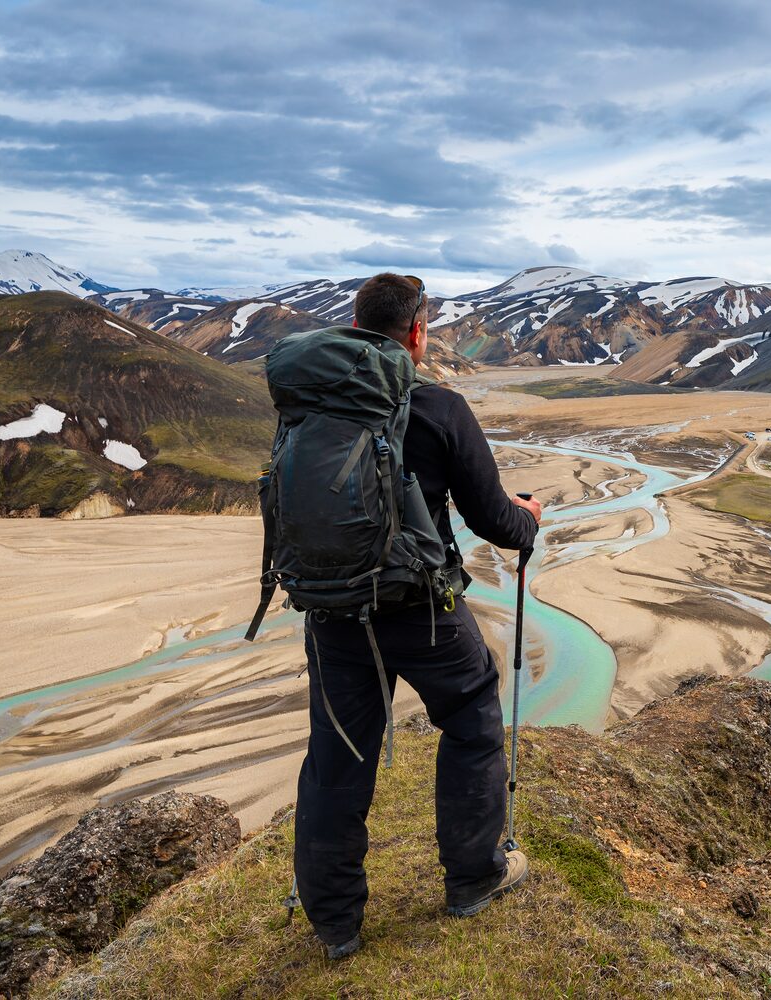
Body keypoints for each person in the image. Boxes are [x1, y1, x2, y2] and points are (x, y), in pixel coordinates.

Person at [293, 272, 541, 959]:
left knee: (337, 760)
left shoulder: (307, 406)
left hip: (332, 610)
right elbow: (495, 519)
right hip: (420, 607)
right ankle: (472, 879)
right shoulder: (438, 406)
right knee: (472, 718)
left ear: (353, 326)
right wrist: (531, 520)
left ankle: (335, 925)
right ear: (415, 332)